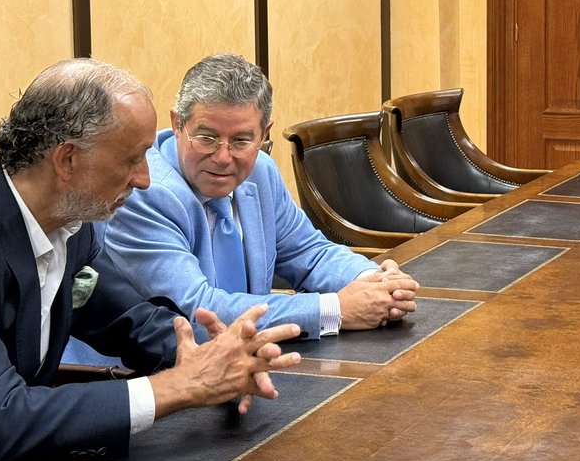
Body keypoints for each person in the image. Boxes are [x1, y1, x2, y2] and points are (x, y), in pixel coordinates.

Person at [0, 59, 302, 461]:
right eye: (131, 159)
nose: (144, 178)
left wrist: (215, 360)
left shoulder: (72, 225)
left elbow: (134, 321)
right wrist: (175, 389)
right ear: (67, 160)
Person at [95, 54, 419, 340]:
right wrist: (336, 309)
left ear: (264, 135)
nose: (223, 157)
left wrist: (376, 282)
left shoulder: (260, 171)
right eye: (207, 137)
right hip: (153, 378)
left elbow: (309, 252)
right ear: (177, 124)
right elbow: (199, 314)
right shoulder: (145, 193)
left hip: (246, 368)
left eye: (240, 140)